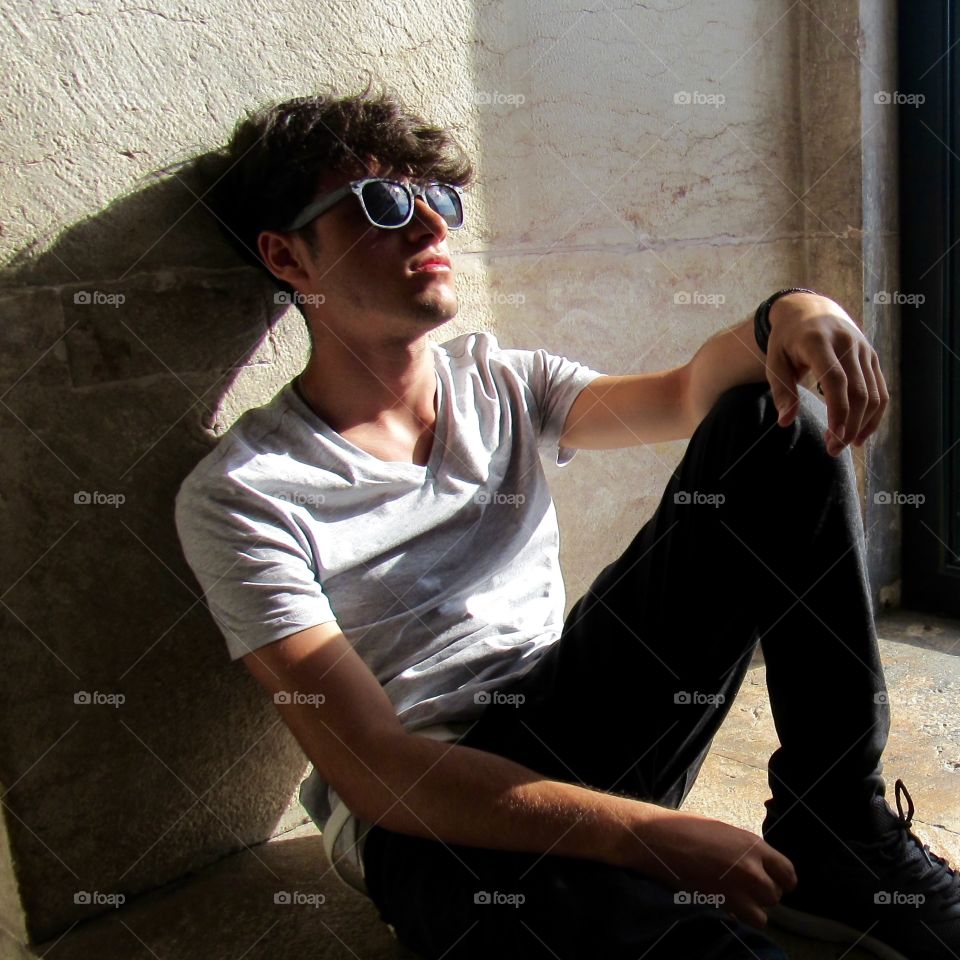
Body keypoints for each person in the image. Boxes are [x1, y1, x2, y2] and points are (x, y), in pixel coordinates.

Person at [173, 81, 959, 960]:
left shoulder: (502, 383)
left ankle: (836, 827)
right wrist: (643, 835)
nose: (429, 225)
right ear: (288, 257)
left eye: (438, 199)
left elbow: (689, 394)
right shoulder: (246, 492)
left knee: (771, 427)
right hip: (431, 817)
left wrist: (790, 312)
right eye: (381, 203)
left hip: (570, 715)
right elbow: (378, 769)